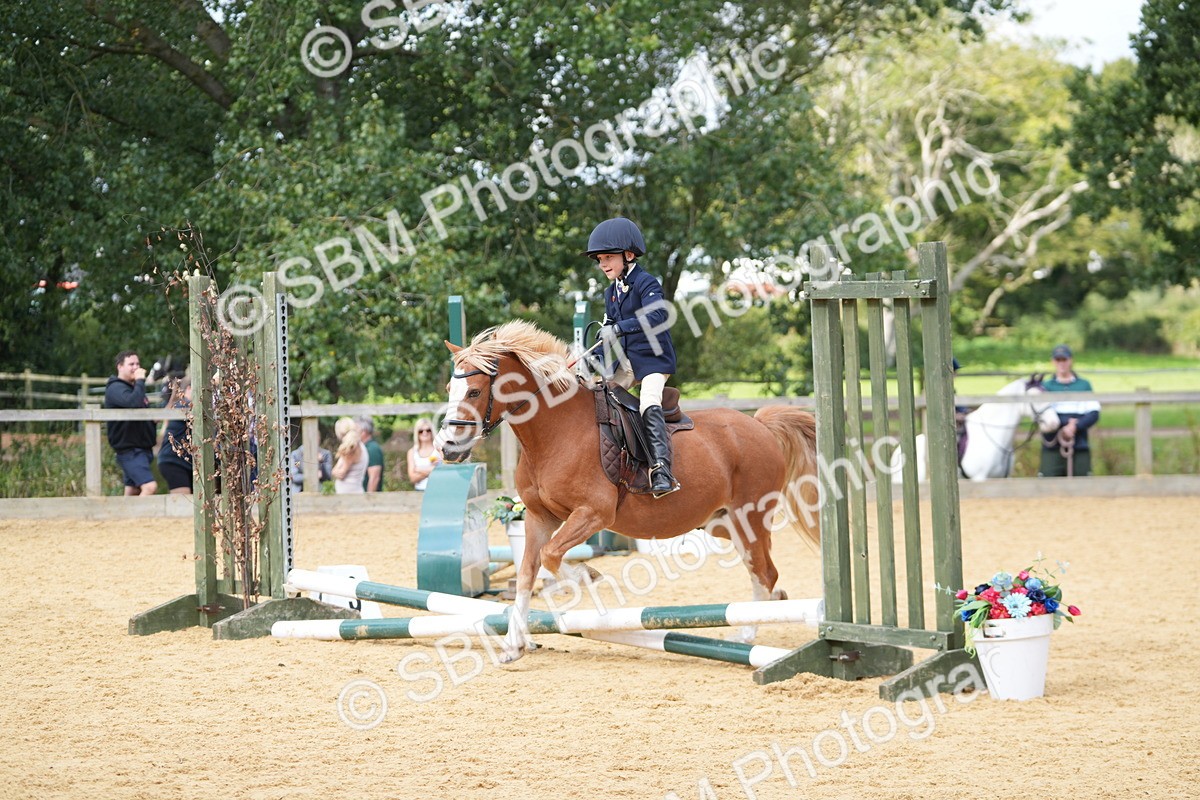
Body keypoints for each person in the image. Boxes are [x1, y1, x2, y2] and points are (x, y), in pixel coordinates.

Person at [585, 216, 681, 497]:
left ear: (628, 255)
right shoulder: (611, 292)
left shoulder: (646, 283)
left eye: (608, 258)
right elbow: (607, 332)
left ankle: (661, 469)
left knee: (648, 401)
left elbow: (658, 315)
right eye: (600, 259)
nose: (602, 264)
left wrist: (619, 328)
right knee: (598, 399)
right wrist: (591, 359)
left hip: (653, 361)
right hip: (627, 363)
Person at [1039, 345, 1101, 477]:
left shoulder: (1084, 385)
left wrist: (1076, 426)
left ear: (1071, 360)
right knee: (1048, 482)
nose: (1061, 363)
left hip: (1079, 444)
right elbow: (1041, 414)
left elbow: (1094, 413)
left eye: (1064, 360)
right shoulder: (1045, 387)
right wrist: (1067, 424)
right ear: (1053, 362)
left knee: (1082, 481)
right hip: (1052, 445)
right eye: (1058, 360)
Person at [104, 350, 158, 496]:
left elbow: (146, 415)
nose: (136, 367)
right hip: (130, 451)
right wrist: (140, 381)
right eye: (131, 364)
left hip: (142, 449)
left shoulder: (134, 389)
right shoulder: (115, 388)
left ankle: (122, 512)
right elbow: (133, 403)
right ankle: (142, 514)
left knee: (132, 491)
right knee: (150, 487)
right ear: (120, 367)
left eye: (138, 364)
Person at [156, 376, 194, 494]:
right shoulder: (183, 405)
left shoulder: (182, 405)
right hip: (173, 461)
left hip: (183, 461)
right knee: (182, 499)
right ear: (189, 388)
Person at [331, 417, 367, 493]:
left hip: (348, 493)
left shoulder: (351, 448)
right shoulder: (360, 445)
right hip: (355, 490)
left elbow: (341, 473)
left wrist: (334, 471)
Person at [407, 418, 442, 491]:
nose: (424, 433)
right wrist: (433, 469)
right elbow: (412, 478)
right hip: (419, 491)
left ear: (432, 431)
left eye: (428, 430)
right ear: (417, 433)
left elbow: (443, 472)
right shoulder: (412, 452)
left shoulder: (439, 449)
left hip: (438, 489)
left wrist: (418, 469)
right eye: (421, 431)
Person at [357, 416, 385, 492]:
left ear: (364, 431)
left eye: (356, 429)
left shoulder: (372, 449)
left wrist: (368, 497)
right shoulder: (363, 447)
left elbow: (374, 478)